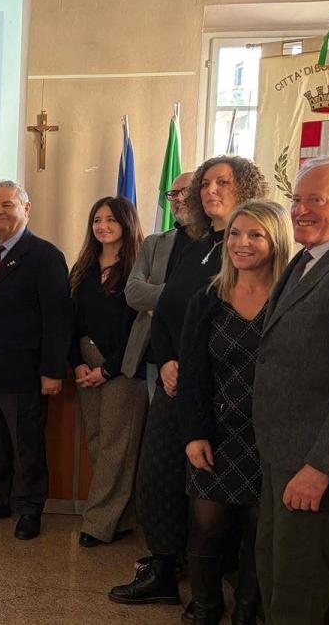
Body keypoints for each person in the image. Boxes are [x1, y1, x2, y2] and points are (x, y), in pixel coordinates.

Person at [111, 156, 268, 605]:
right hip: (174, 383)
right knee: (158, 476)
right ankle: (163, 568)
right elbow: (165, 312)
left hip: (221, 392)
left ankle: (212, 587)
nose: (210, 190)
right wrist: (165, 361)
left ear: (247, 188)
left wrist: (192, 365)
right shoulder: (196, 243)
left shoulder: (251, 250)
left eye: (224, 182)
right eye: (205, 183)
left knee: (209, 492)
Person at [252, 158, 329, 624]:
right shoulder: (307, 259)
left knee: (297, 591)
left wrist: (321, 468)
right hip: (282, 453)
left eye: (316, 200)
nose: (300, 210)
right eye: (297, 199)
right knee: (273, 573)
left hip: (313, 462)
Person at [178, 199, 292, 624]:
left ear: (277, 240)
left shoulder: (292, 300)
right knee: (205, 528)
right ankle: (206, 608)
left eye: (255, 234)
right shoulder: (208, 299)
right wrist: (194, 435)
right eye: (235, 234)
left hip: (270, 438)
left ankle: (247, 611)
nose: (242, 243)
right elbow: (192, 375)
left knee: (259, 533)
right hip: (216, 434)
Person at [0, 179, 71, 540]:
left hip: (22, 371)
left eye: (7, 204)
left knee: (26, 445)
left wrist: (52, 370)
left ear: (26, 209)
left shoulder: (45, 256)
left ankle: (29, 508)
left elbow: (57, 319)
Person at [68, 196, 147, 548]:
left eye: (111, 220)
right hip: (86, 362)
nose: (103, 226)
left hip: (123, 367)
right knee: (98, 441)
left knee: (117, 443)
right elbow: (69, 319)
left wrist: (109, 368)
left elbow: (139, 328)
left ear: (126, 224)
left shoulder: (139, 268)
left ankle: (97, 523)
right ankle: (122, 517)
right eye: (97, 220)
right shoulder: (83, 266)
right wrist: (77, 362)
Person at [122, 172, 195, 394]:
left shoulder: (216, 243)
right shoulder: (154, 243)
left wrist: (157, 301)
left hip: (194, 352)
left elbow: (202, 295)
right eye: (173, 193)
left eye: (186, 191)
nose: (179, 198)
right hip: (155, 354)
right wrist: (178, 296)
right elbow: (133, 292)